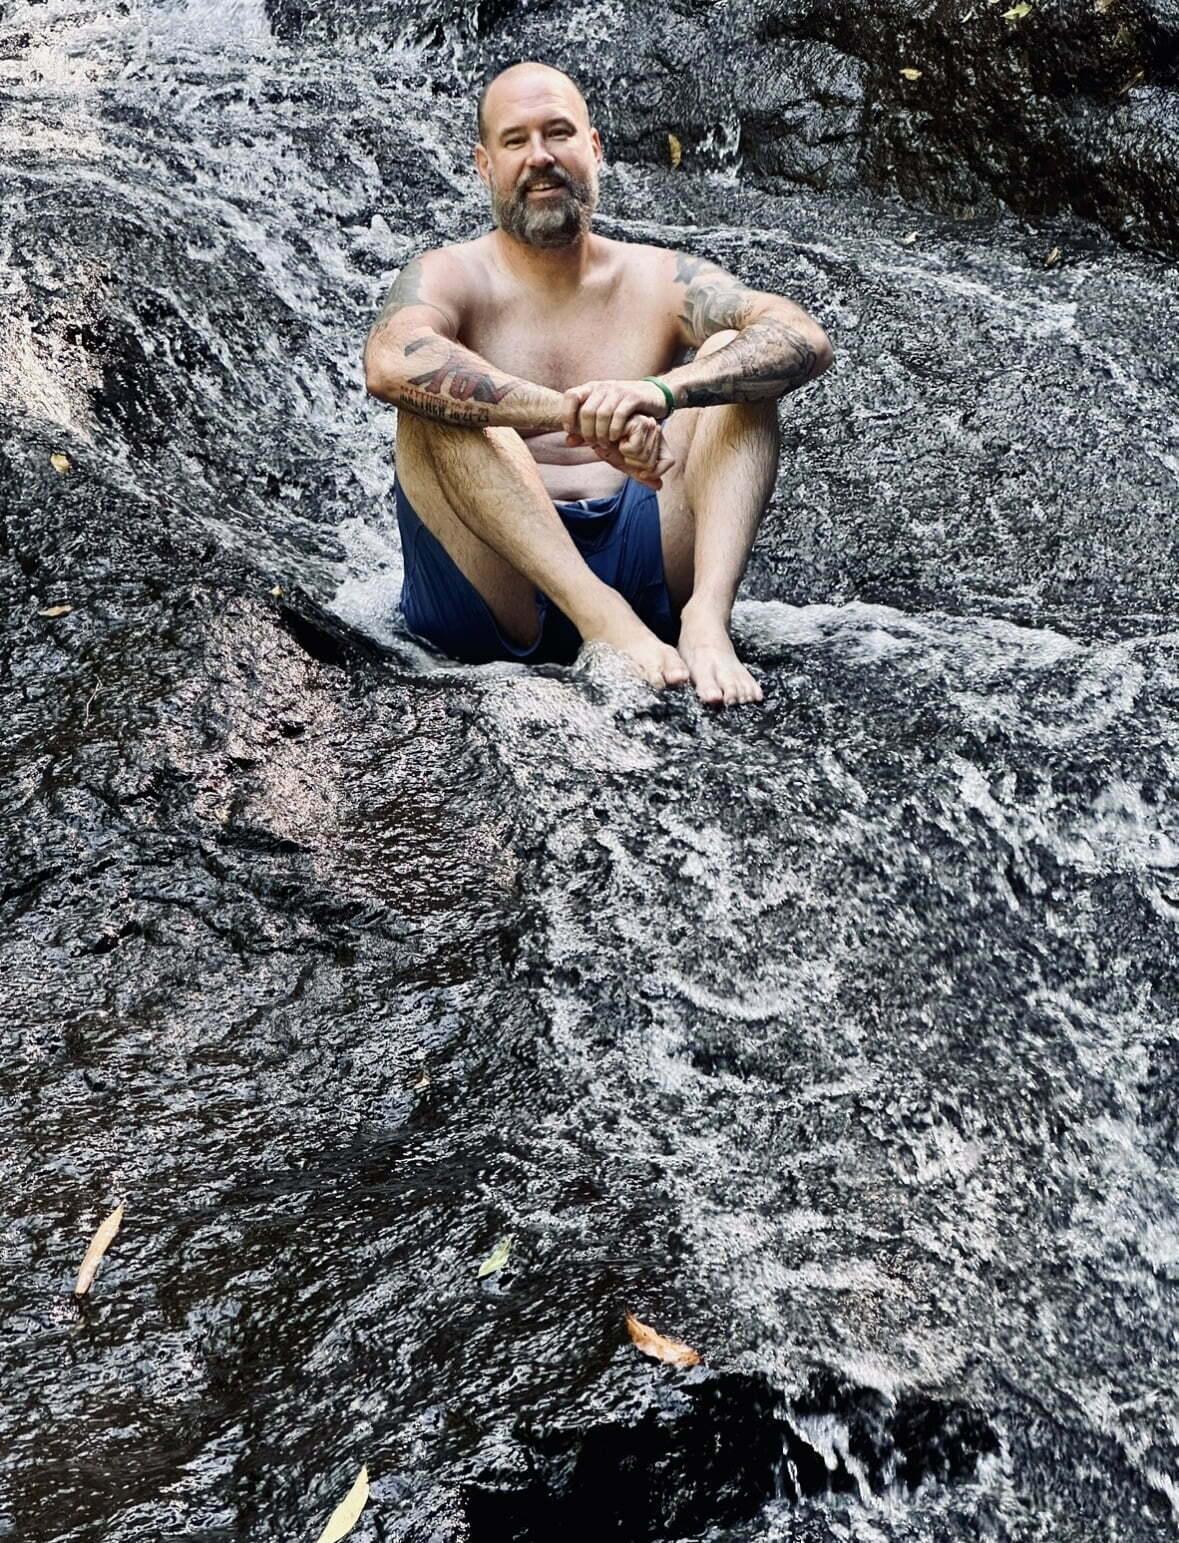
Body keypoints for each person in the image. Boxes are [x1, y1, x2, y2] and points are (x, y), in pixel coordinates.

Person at [363, 60, 833, 707]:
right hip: (493, 584)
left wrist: (661, 393)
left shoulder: (659, 279)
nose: (539, 157)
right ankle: (600, 619)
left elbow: (799, 338)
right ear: (483, 165)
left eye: (558, 133)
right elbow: (390, 362)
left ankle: (706, 620)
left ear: (593, 149)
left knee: (734, 357)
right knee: (438, 396)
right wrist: (579, 414)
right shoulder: (447, 275)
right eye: (515, 140)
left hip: (645, 557)